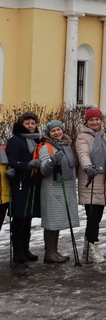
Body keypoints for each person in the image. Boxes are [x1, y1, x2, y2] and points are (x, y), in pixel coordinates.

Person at [75, 108, 106, 264]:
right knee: (92, 217)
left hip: (103, 181)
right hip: (90, 180)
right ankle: (91, 248)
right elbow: (82, 154)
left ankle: (89, 248)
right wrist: (87, 167)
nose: (94, 122)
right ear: (86, 122)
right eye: (91, 120)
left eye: (97, 119)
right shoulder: (82, 137)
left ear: (101, 120)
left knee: (97, 217)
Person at [37, 120, 80, 264]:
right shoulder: (46, 147)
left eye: (58, 129)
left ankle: (54, 251)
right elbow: (43, 169)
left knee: (58, 220)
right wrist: (52, 161)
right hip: (51, 187)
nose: (57, 133)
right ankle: (49, 253)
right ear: (48, 133)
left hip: (65, 186)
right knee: (51, 220)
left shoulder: (66, 145)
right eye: (53, 131)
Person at [6, 111, 42, 269]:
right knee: (19, 217)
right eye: (27, 123)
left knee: (28, 218)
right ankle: (17, 252)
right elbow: (12, 161)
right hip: (20, 182)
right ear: (22, 124)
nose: (30, 126)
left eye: (33, 123)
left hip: (32, 182)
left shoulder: (36, 140)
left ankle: (25, 249)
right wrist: (27, 165)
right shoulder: (15, 140)